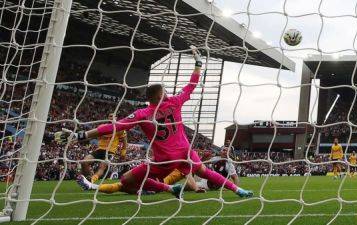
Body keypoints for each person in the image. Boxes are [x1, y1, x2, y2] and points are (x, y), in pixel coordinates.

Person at [55, 46, 253, 198]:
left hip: (164, 160)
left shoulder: (142, 114)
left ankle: (167, 187)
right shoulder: (174, 103)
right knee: (205, 171)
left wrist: (82, 135)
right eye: (164, 92)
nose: (167, 93)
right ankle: (238, 190)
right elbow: (191, 86)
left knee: (128, 180)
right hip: (185, 153)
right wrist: (198, 63)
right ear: (159, 97)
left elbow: (113, 127)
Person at [81, 113, 127, 184]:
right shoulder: (102, 126)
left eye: (113, 116)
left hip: (110, 151)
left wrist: (123, 152)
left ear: (116, 118)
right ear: (108, 118)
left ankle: (92, 180)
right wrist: (80, 138)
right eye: (110, 116)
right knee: (84, 162)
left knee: (101, 167)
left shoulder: (120, 128)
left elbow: (125, 142)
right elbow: (93, 136)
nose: (111, 117)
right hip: (100, 149)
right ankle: (88, 179)